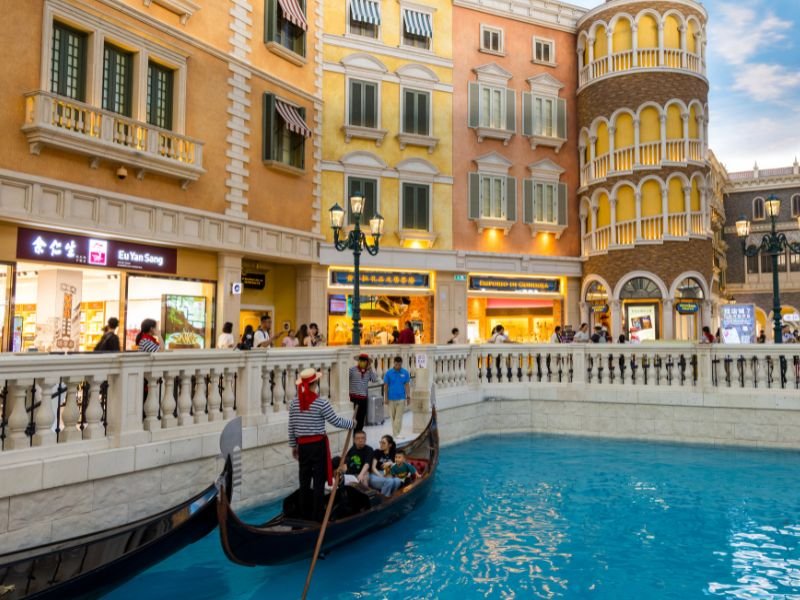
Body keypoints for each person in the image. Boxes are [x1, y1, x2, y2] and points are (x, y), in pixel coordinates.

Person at [288, 368, 354, 521]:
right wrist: (352, 423)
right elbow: (336, 421)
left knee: (304, 480)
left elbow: (291, 426)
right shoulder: (321, 402)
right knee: (318, 481)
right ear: (315, 383)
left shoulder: (294, 404)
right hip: (317, 446)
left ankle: (304, 513)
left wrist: (293, 445)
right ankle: (317, 515)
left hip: (302, 447)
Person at [348, 353, 379, 432]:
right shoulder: (352, 370)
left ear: (367, 362)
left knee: (361, 419)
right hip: (353, 398)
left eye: (364, 361)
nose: (362, 362)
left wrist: (370, 369)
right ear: (358, 361)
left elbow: (375, 379)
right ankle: (353, 436)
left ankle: (358, 434)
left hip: (363, 399)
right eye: (361, 360)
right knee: (353, 419)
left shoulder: (369, 372)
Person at [384, 356, 411, 438]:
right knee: (393, 418)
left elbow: (407, 385)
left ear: (401, 364)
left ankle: (397, 434)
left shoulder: (405, 372)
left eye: (399, 365)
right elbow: (385, 386)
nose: (398, 366)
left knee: (398, 417)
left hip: (401, 398)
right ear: (394, 363)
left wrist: (408, 396)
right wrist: (386, 398)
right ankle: (396, 433)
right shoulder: (388, 373)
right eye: (396, 364)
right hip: (391, 398)